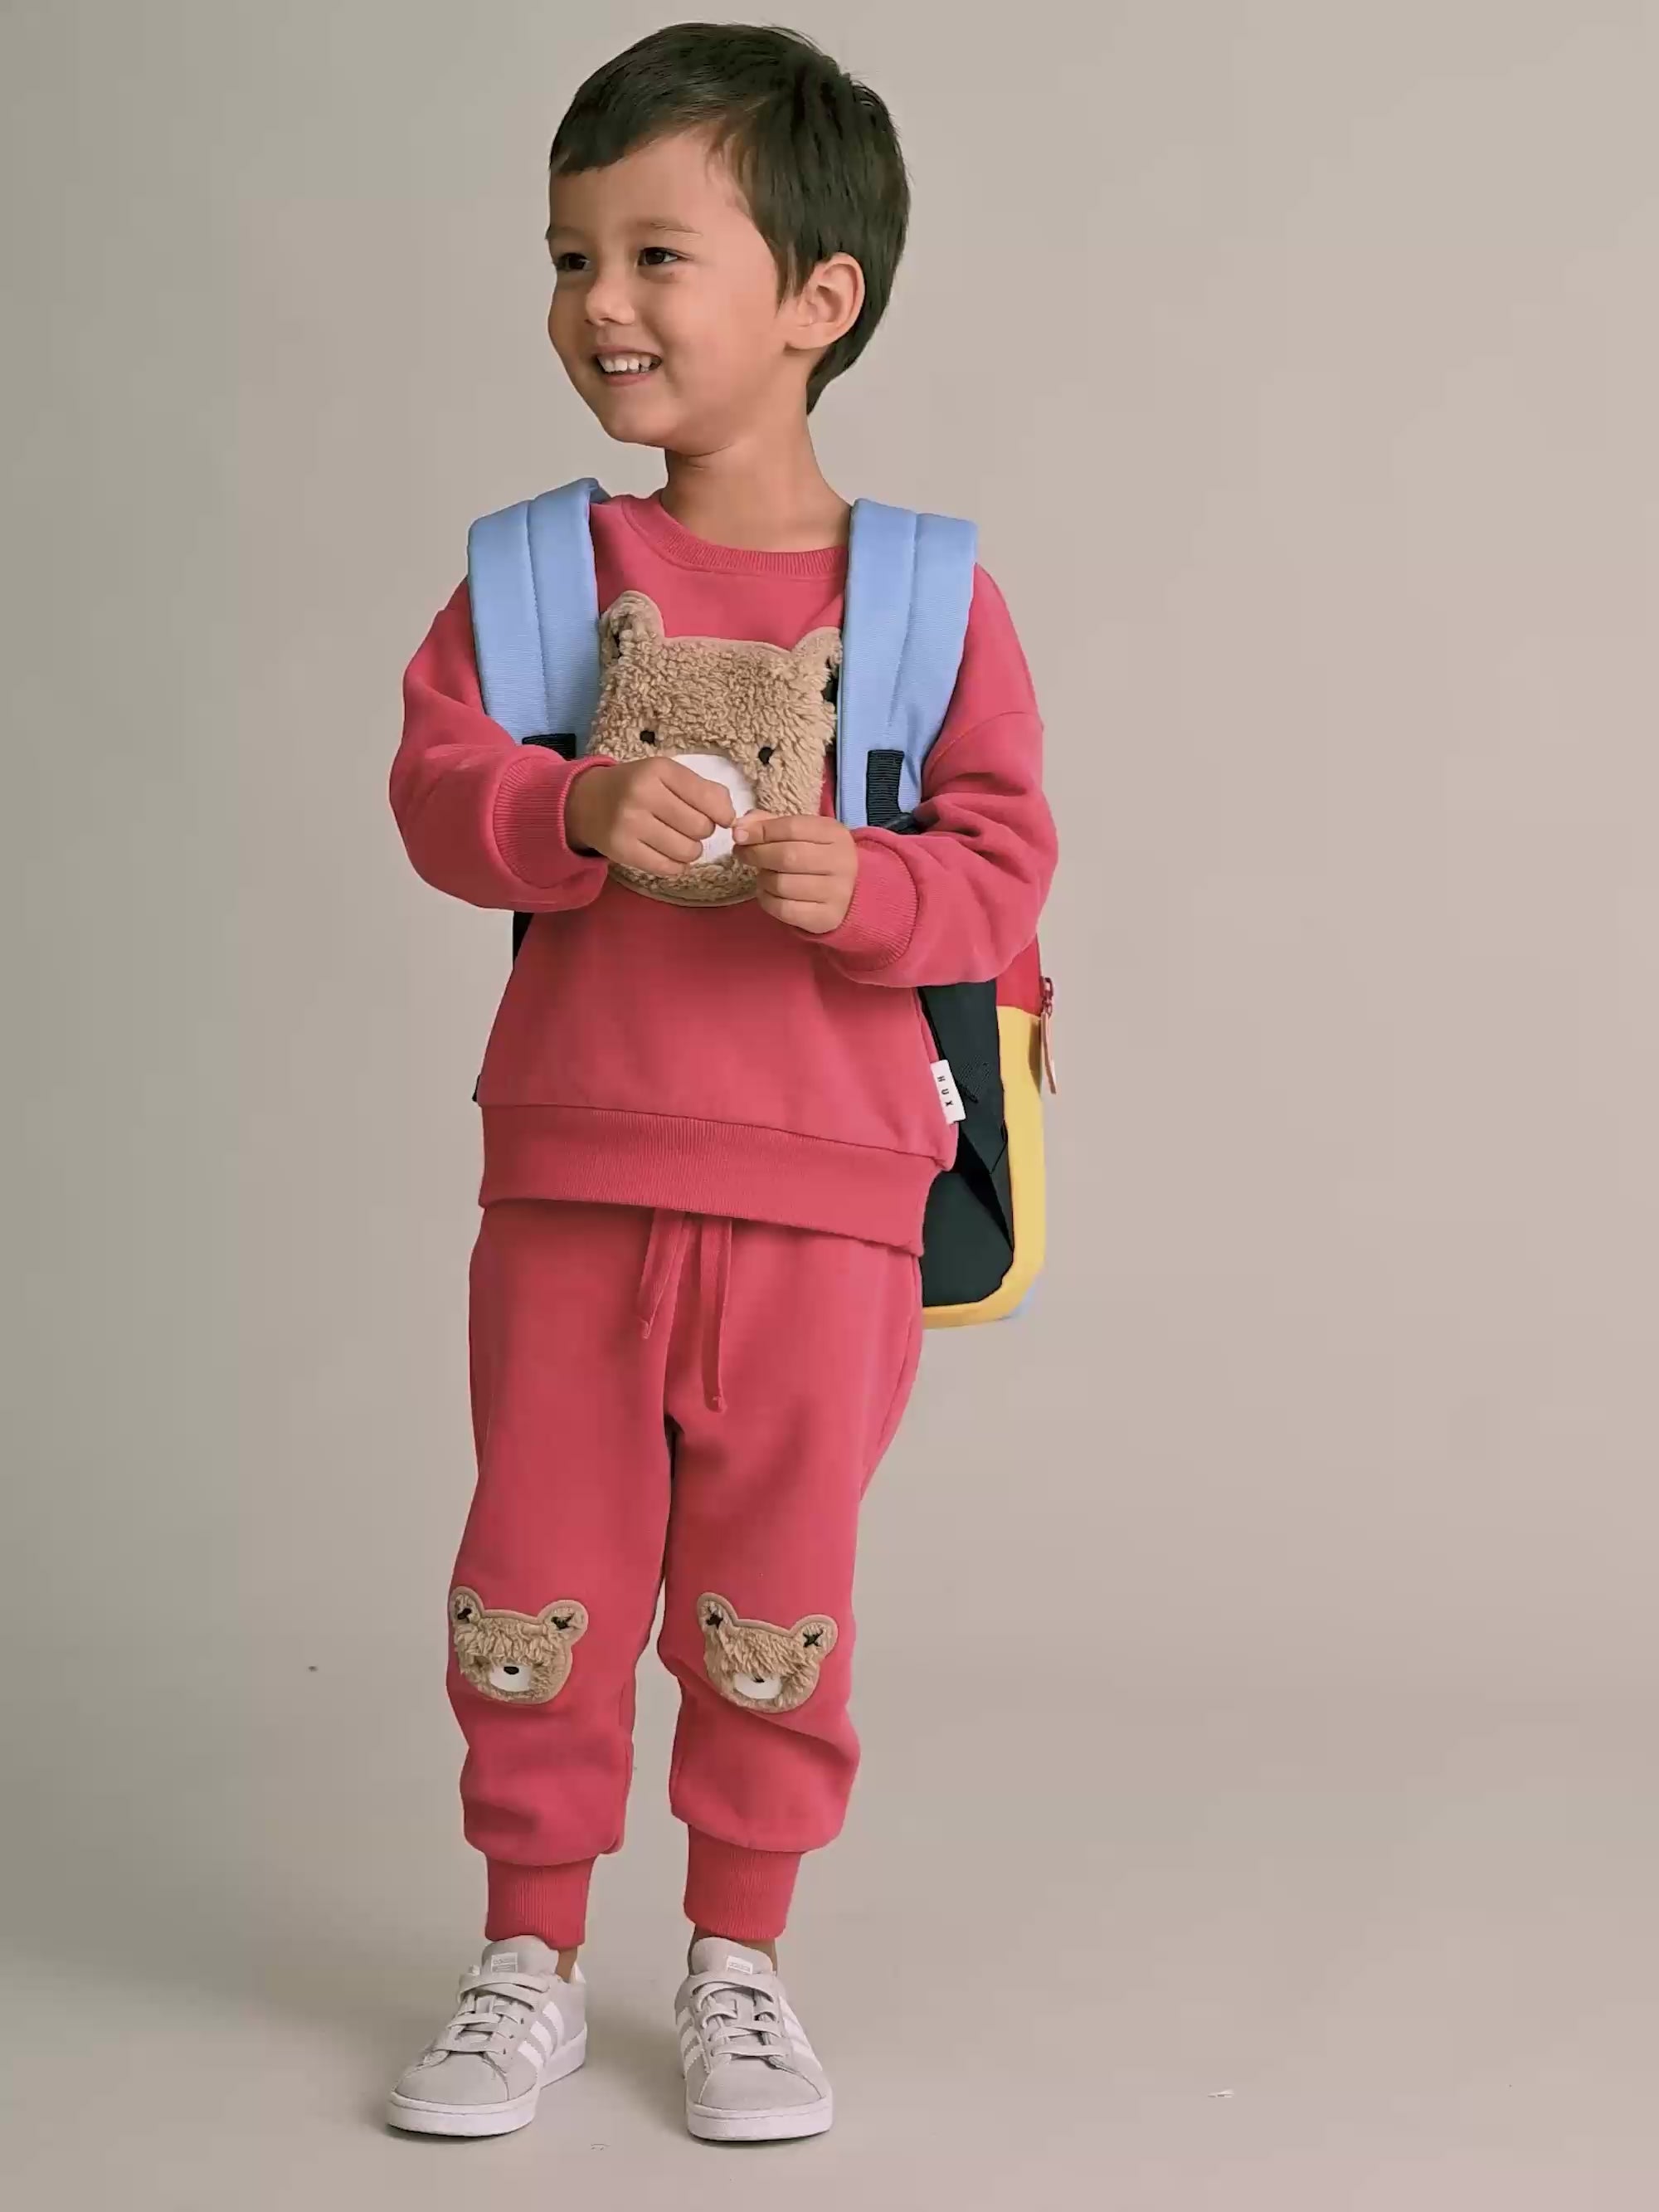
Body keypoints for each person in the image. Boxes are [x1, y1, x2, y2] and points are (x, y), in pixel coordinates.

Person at [384, 22, 1057, 2146]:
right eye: (570, 255)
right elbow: (437, 791)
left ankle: (739, 1960)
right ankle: (525, 1951)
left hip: (831, 1197)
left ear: (816, 297)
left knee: (777, 1598)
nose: (601, 301)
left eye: (656, 255)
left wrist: (872, 884)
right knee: (537, 1574)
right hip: (573, 1174)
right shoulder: (535, 577)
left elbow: (1005, 866)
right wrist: (569, 810)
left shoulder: (931, 598)